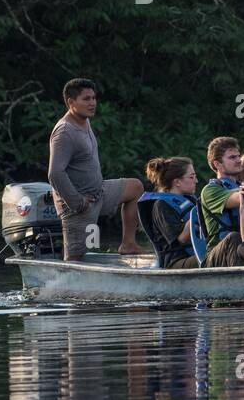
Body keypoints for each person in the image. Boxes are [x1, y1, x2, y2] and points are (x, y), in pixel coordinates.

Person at [46, 78, 145, 261]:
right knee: (76, 260)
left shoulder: (84, 121)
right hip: (78, 206)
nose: (92, 103)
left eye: (93, 98)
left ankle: (128, 243)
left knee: (135, 187)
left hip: (99, 193)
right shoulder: (64, 132)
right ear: (71, 102)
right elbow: (55, 173)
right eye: (86, 99)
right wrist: (77, 202)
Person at [140, 157, 199, 268]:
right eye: (192, 177)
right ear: (177, 182)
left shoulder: (190, 200)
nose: (196, 181)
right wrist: (196, 217)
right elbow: (180, 240)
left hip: (196, 255)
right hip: (176, 262)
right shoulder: (161, 205)